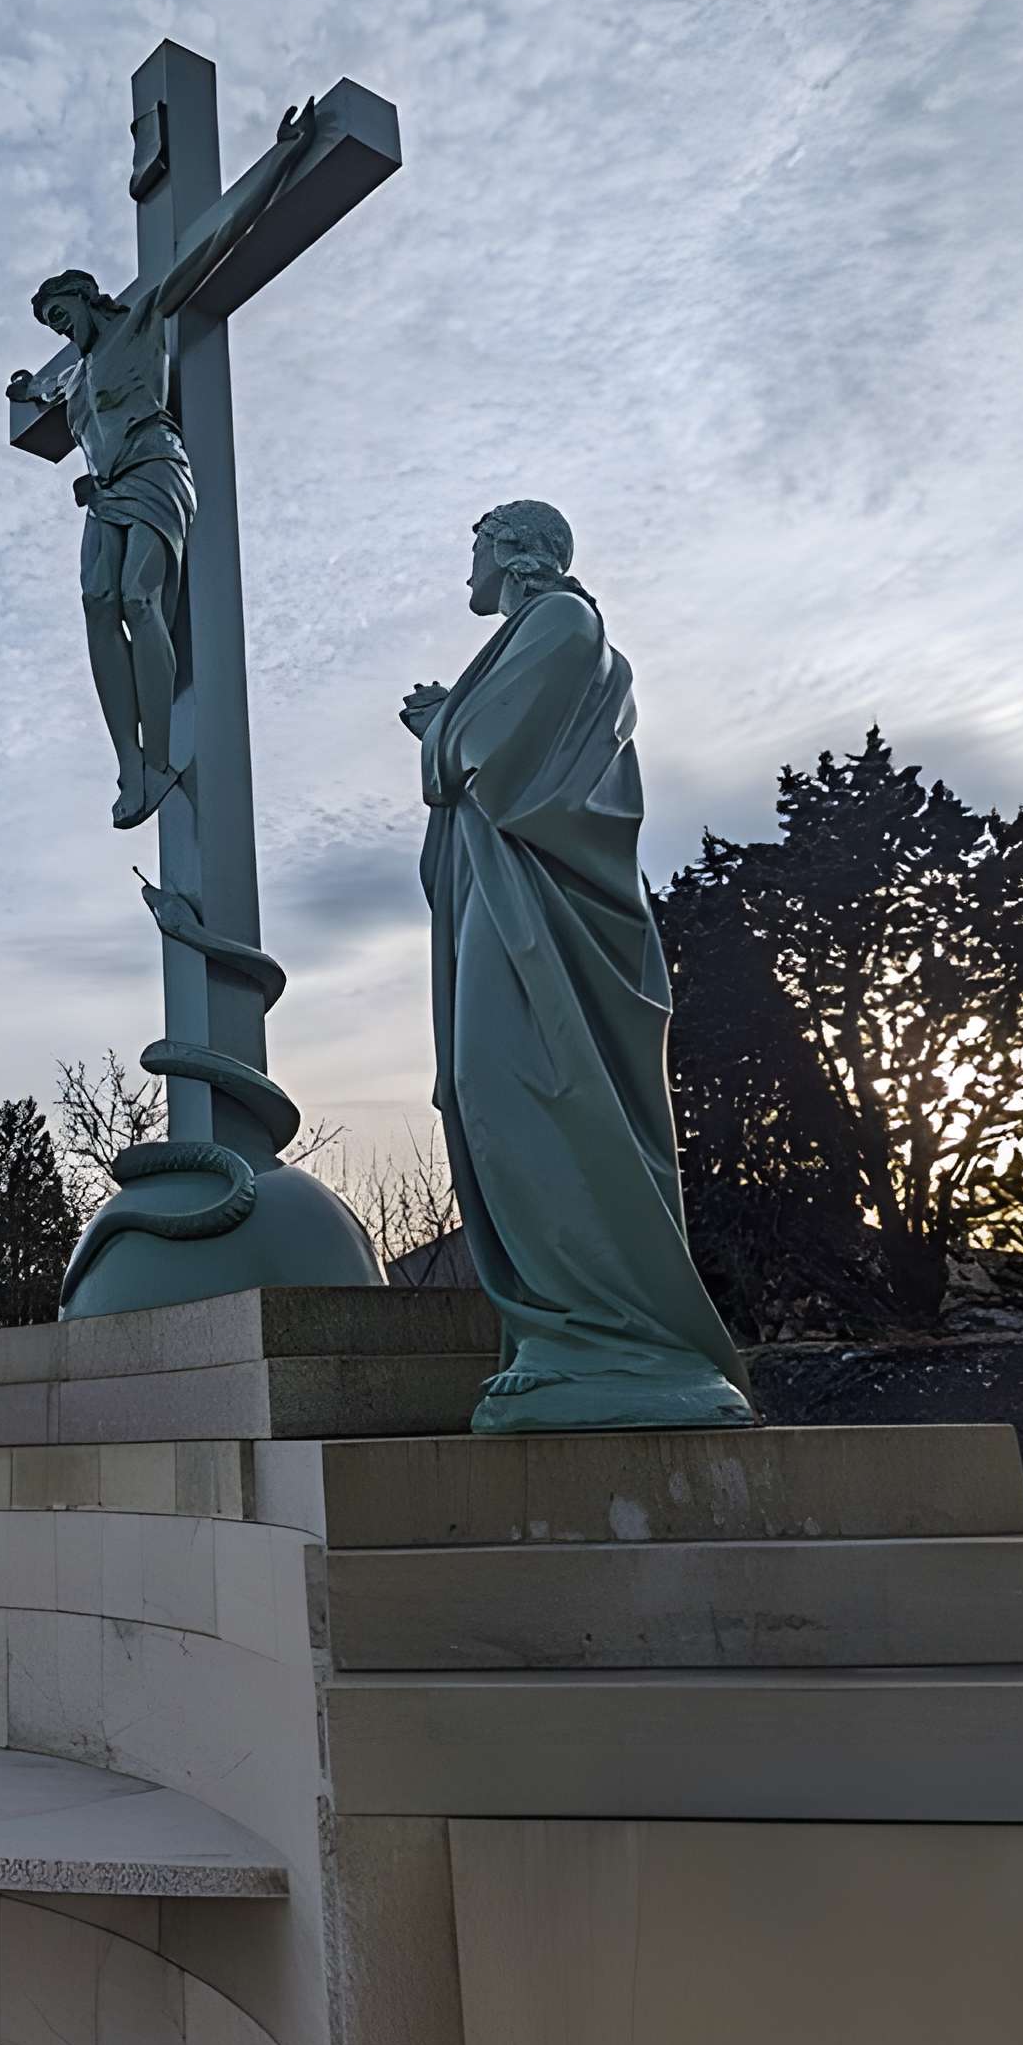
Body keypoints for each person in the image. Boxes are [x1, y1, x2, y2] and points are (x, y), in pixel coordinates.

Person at [403, 502, 752, 1434]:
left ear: (517, 552)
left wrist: (442, 727)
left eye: (474, 547)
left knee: (525, 1088)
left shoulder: (562, 620)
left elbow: (489, 759)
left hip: (543, 926)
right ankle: (571, 1334)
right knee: (493, 1093)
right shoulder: (541, 633)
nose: (467, 568)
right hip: (511, 906)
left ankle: (606, 1334)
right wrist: (453, 729)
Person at [8, 98, 317, 828]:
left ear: (86, 299)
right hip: (104, 490)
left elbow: (212, 243)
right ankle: (133, 765)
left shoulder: (141, 320)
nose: (62, 330)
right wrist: (27, 390)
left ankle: (162, 741)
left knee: (140, 599)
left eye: (63, 314)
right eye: (51, 326)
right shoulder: (72, 376)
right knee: (96, 605)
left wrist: (280, 160)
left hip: (154, 466)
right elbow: (41, 394)